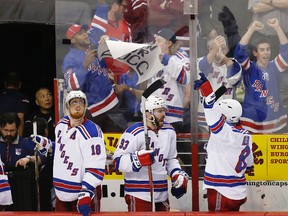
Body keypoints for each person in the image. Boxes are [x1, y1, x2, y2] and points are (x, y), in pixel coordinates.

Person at [113, 95, 189, 212]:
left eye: (164, 111)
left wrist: (177, 175)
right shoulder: (134, 133)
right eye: (159, 111)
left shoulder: (169, 131)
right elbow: (117, 161)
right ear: (148, 113)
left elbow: (171, 159)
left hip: (162, 192)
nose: (163, 114)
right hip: (138, 193)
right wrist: (137, 159)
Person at [194, 72, 254, 211]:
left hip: (223, 190)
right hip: (238, 190)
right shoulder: (245, 134)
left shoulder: (225, 132)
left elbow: (212, 117)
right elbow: (249, 163)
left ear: (224, 116)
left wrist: (207, 92)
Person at [62, 24, 125, 132]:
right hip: (94, 111)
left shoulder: (93, 47)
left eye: (85, 32)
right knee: (96, 145)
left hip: (113, 105)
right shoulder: (69, 58)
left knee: (117, 145)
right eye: (80, 33)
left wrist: (108, 39)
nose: (85, 34)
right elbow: (72, 84)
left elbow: (122, 47)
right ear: (73, 40)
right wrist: (85, 65)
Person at [51, 90, 105, 215]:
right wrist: (47, 145)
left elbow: (96, 168)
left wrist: (86, 192)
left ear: (85, 107)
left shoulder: (92, 132)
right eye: (74, 102)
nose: (78, 105)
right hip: (61, 193)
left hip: (83, 195)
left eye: (81, 102)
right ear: (67, 107)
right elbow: (63, 148)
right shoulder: (61, 125)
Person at [234, 18, 288, 133]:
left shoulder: (275, 66)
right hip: (251, 118)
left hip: (274, 117)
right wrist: (252, 29)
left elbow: (286, 52)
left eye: (268, 49)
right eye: (262, 50)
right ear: (255, 53)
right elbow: (239, 52)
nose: (266, 52)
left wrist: (277, 27)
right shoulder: (250, 68)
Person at [0, 112, 46, 211]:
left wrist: (29, 158)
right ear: (0, 128)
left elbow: (41, 158)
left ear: (17, 128)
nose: (8, 134)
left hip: (21, 189)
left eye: (12, 130)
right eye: (5, 130)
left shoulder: (25, 143)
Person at [147, 28, 190, 132]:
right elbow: (149, 87)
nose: (156, 44)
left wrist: (167, 59)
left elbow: (185, 78)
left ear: (169, 43)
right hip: (153, 115)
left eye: (159, 41)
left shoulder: (181, 57)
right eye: (155, 41)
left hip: (172, 117)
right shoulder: (153, 59)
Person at [197, 35, 242, 131]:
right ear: (209, 49)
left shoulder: (232, 64)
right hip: (205, 118)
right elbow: (202, 68)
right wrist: (214, 50)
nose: (219, 51)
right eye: (216, 48)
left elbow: (235, 79)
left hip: (227, 117)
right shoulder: (201, 61)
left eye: (223, 49)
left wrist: (221, 55)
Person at [89, 0, 131, 82]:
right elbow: (91, 51)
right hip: (105, 77)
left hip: (124, 78)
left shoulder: (126, 27)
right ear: (115, 6)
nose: (126, 10)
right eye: (124, 7)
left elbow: (130, 52)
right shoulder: (99, 25)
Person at [0, 71, 30, 136]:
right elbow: (20, 117)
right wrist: (19, 139)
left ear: (5, 84)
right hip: (12, 135)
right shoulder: (22, 97)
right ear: (20, 85)